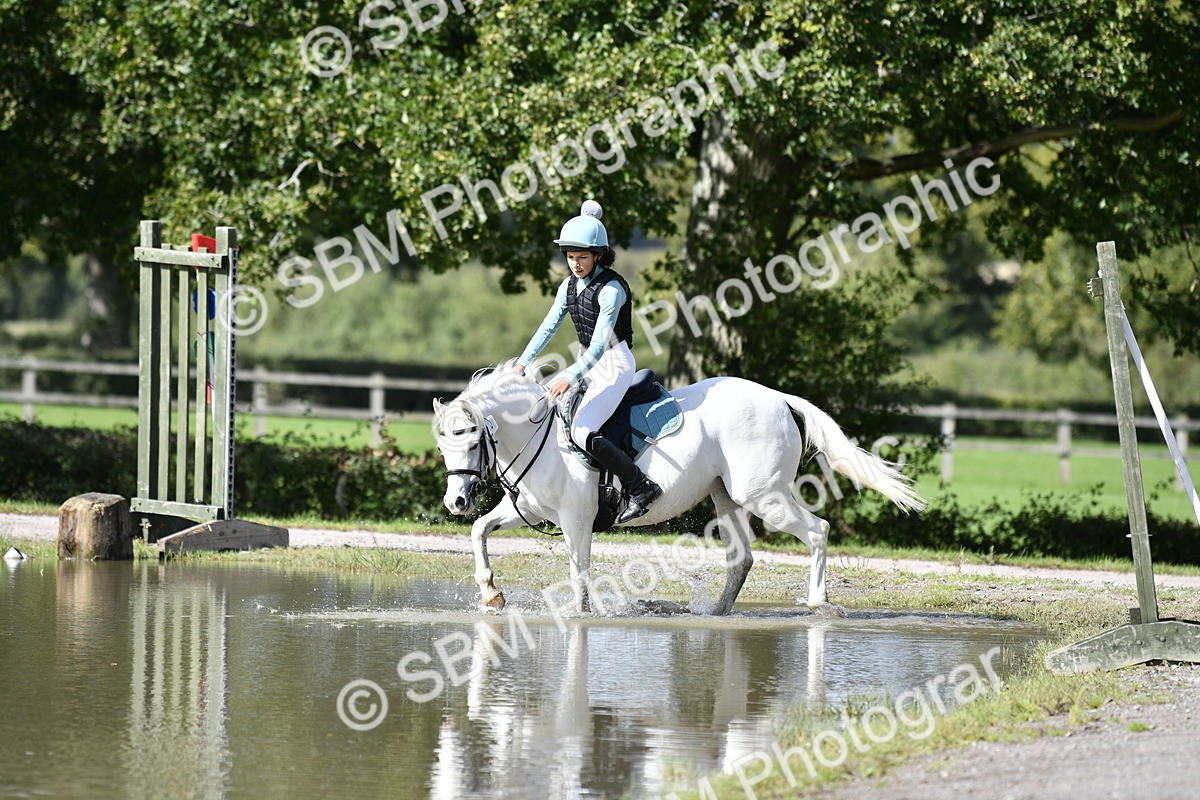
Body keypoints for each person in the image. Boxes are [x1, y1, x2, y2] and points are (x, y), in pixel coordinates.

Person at [512, 200, 662, 524]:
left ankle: (640, 487)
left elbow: (598, 346)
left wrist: (570, 376)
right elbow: (549, 326)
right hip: (587, 362)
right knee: (544, 411)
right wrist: (523, 362)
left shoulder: (611, 290)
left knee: (581, 430)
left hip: (613, 364)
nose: (575, 264)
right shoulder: (568, 285)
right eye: (570, 257)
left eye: (582, 257)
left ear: (598, 256)